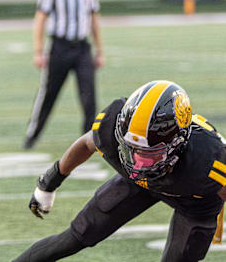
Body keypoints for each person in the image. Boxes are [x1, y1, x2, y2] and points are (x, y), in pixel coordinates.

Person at [14, 80, 226, 261]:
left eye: (149, 154)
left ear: (178, 144)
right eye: (132, 150)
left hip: (194, 201)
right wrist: (49, 182)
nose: (139, 162)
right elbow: (87, 143)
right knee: (74, 237)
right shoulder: (114, 129)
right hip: (138, 184)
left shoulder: (208, 162)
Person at [23, 0, 104, 150]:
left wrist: (100, 50)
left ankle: (89, 142)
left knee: (89, 97)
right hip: (59, 47)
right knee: (48, 94)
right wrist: (38, 51)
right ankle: (32, 135)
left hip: (82, 48)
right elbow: (40, 19)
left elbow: (94, 19)